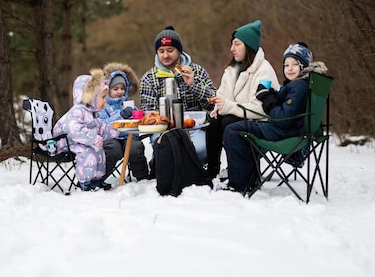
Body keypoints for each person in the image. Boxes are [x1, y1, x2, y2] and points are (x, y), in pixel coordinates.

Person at [221, 42, 328, 192]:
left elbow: (283, 119)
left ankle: (239, 184)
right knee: (240, 128)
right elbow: (289, 110)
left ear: (304, 66)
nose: (289, 69)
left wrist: (267, 100)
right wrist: (271, 95)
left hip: (285, 132)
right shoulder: (301, 84)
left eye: (294, 64)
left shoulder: (298, 87)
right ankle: (249, 179)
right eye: (286, 65)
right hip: (295, 130)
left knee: (233, 130)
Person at [205, 20, 280, 178]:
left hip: (261, 125)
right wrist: (218, 105)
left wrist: (227, 106)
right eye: (232, 44)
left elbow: (260, 110)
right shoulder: (231, 70)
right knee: (214, 124)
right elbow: (222, 94)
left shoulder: (264, 71)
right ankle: (211, 170)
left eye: (237, 44)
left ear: (249, 45)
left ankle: (240, 171)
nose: (232, 49)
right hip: (238, 119)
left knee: (228, 121)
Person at [140, 25, 217, 163]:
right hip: (163, 129)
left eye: (170, 50)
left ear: (179, 51)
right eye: (161, 51)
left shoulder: (197, 71)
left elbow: (213, 104)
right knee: (168, 149)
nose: (165, 55)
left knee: (201, 149)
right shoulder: (149, 77)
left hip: (194, 127)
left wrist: (193, 85)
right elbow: (148, 113)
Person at [53, 69, 119, 191]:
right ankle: (85, 182)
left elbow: (101, 128)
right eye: (103, 97)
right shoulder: (77, 111)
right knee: (87, 153)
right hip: (65, 141)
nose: (105, 101)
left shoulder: (92, 113)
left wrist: (116, 131)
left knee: (99, 150)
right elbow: (74, 130)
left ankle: (97, 179)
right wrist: (93, 138)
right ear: (92, 97)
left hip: (82, 140)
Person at [99, 62, 150, 181]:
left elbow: (138, 118)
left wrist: (141, 116)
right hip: (111, 137)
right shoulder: (103, 105)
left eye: (122, 88)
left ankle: (142, 178)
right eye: (115, 89)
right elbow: (102, 124)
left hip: (129, 136)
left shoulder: (128, 104)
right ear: (108, 90)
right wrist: (120, 115)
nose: (119, 91)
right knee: (112, 150)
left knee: (136, 148)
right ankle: (99, 179)